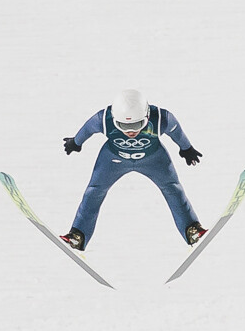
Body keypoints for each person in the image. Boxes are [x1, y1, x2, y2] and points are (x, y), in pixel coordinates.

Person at [59, 89, 205, 251]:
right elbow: (88, 129)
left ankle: (191, 229)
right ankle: (78, 234)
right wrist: (76, 142)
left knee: (173, 189)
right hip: (113, 160)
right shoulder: (103, 119)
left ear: (147, 116)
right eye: (123, 125)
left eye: (137, 125)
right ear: (115, 119)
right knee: (94, 191)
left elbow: (176, 132)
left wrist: (186, 148)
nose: (130, 131)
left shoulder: (161, 118)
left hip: (154, 160)